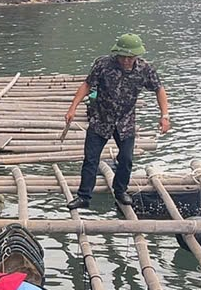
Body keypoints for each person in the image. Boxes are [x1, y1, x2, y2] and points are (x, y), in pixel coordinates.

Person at [64, 32, 170, 211]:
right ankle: (83, 196)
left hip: (125, 122)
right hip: (101, 120)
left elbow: (159, 90)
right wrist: (73, 107)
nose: (127, 61)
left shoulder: (145, 69)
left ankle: (120, 191)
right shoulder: (103, 64)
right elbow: (87, 85)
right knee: (91, 160)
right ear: (117, 54)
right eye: (123, 57)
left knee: (126, 159)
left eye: (131, 57)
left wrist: (164, 115)